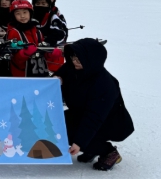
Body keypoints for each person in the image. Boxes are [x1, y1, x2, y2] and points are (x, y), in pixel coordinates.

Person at [56, 38, 134, 171]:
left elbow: (94, 117)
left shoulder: (104, 84)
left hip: (110, 123)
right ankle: (92, 148)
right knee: (58, 123)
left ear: (91, 60)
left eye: (79, 59)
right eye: (73, 57)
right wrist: (57, 78)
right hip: (82, 112)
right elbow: (61, 73)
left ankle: (108, 152)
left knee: (70, 133)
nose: (74, 61)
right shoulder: (73, 67)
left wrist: (79, 143)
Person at [6, 0, 63, 77]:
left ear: (30, 13)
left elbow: (42, 54)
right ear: (13, 16)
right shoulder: (13, 32)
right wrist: (24, 53)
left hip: (39, 73)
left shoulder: (37, 31)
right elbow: (13, 57)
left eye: (25, 12)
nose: (22, 16)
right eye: (18, 13)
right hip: (22, 76)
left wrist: (50, 52)